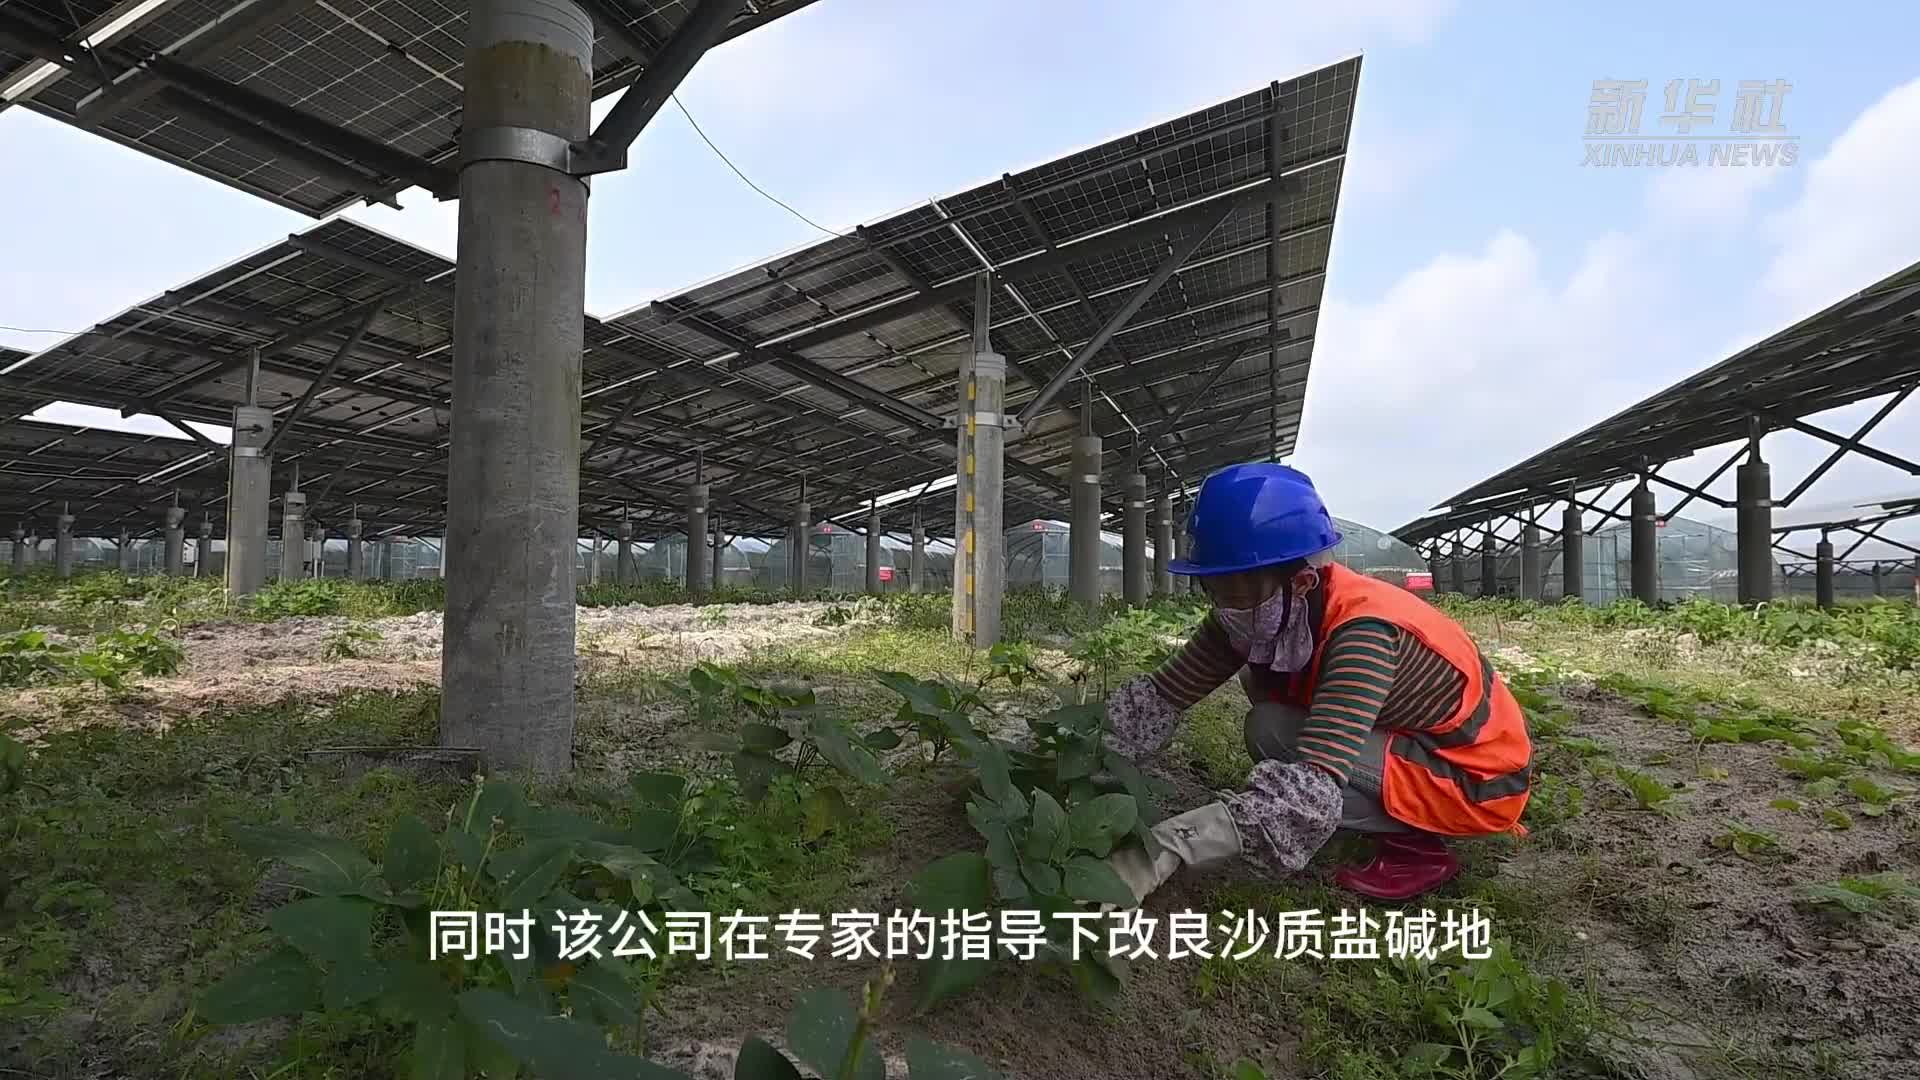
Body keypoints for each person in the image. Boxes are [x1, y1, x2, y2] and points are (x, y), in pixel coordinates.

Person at [1100, 462, 1532, 906]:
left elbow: (1310, 789)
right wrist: (1088, 763)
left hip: (1473, 779)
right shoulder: (1261, 609)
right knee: (1266, 721)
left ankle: (1417, 845)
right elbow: (1162, 695)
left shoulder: (1364, 634)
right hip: (1410, 742)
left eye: (1236, 592)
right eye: (1213, 589)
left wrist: (1169, 847)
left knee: (1279, 741)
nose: (1225, 607)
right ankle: (1383, 809)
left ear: (1302, 582)